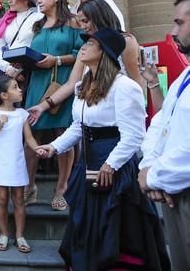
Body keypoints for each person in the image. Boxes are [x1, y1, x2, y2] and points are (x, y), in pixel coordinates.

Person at [36, 28, 170, 271]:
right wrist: (53, 147)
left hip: (115, 170)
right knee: (85, 228)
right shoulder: (82, 86)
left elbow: (134, 135)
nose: (83, 47)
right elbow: (78, 127)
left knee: (114, 232)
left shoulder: (125, 87)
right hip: (87, 166)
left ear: (104, 52)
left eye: (91, 44)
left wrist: (111, 164)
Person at [28, 0, 155, 123]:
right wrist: (42, 106)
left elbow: (137, 82)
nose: (82, 27)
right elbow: (71, 84)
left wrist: (136, 111)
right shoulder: (86, 48)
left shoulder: (126, 41)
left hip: (121, 110)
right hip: (93, 112)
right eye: (80, 23)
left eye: (85, 21)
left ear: (98, 18)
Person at [138, 0, 190, 270]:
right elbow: (162, 124)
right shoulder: (185, 76)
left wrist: (155, 175)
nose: (173, 32)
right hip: (173, 190)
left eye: (179, 23)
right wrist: (149, 167)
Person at [23, 0, 82, 211]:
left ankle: (62, 188)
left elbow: (81, 54)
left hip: (62, 82)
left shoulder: (72, 22)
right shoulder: (37, 25)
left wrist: (56, 59)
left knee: (62, 134)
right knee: (30, 133)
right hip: (38, 81)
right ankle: (29, 186)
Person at [0, 75, 40, 254]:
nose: (20, 89)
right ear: (4, 95)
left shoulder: (22, 114)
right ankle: (4, 234)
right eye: (15, 87)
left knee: (19, 199)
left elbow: (28, 138)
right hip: (0, 162)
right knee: (1, 198)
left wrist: (39, 149)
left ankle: (20, 235)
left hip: (16, 162)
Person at [0, 0, 43, 80]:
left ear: (26, 0)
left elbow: (38, 46)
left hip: (28, 71)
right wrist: (6, 68)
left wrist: (19, 70)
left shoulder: (38, 18)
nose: (9, 1)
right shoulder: (6, 20)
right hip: (6, 72)